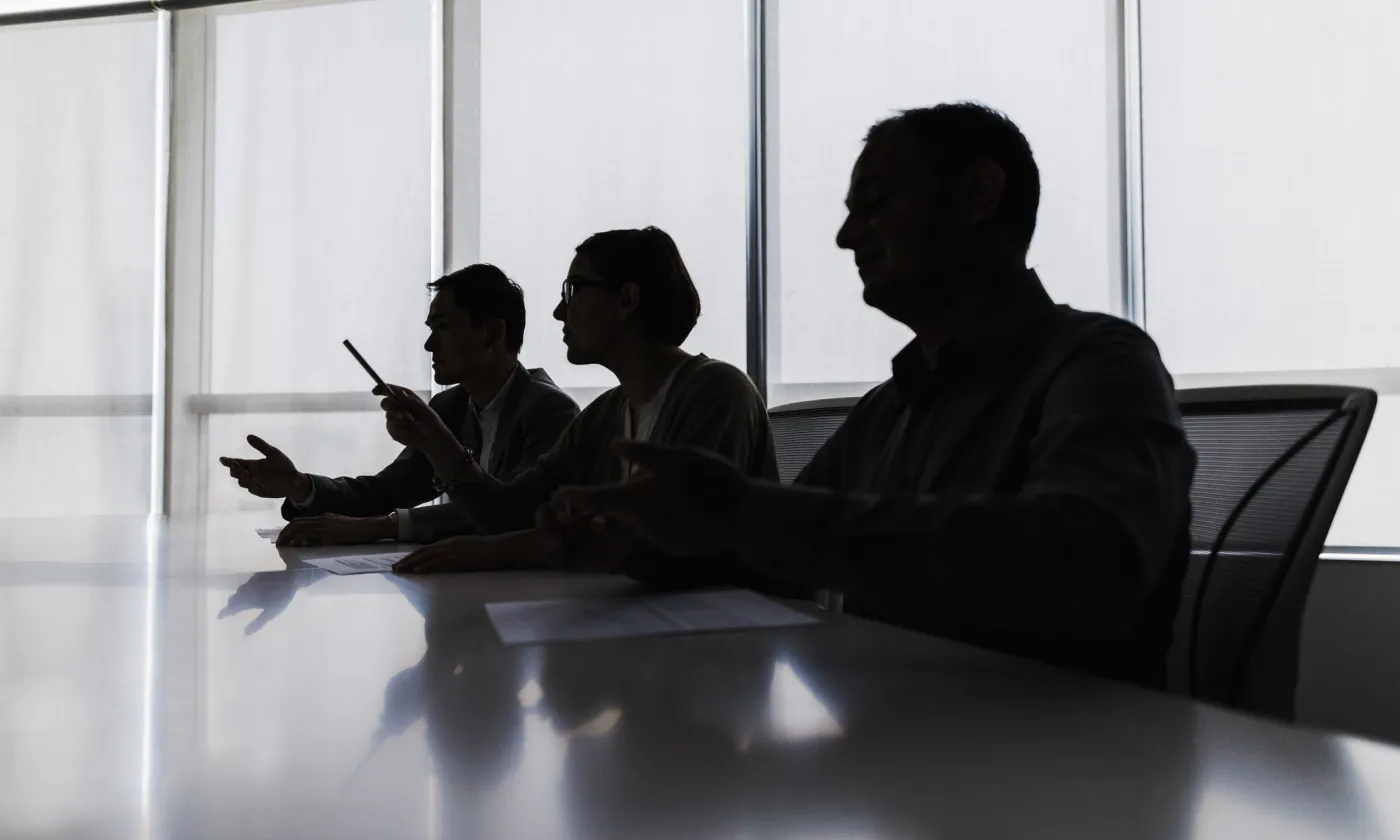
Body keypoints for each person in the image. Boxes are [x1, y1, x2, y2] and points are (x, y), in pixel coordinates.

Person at [550, 103, 1197, 689]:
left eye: (875, 202)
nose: (845, 236)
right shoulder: (889, 407)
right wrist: (640, 548)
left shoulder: (1100, 362)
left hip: (1068, 776)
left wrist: (746, 514)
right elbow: (777, 555)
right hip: (902, 757)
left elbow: (1088, 565)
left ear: (976, 193)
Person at [375, 227, 785, 591]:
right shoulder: (605, 414)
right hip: (651, 632)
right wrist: (435, 441)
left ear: (626, 298)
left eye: (573, 290)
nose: (558, 311)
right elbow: (509, 513)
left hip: (728, 643)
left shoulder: (719, 391)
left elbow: (675, 541)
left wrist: (500, 550)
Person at [219, 264, 579, 546]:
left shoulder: (550, 412)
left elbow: (511, 515)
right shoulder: (451, 406)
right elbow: (387, 491)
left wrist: (383, 527)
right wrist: (299, 485)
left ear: (493, 333)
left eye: (442, 327)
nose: (428, 346)